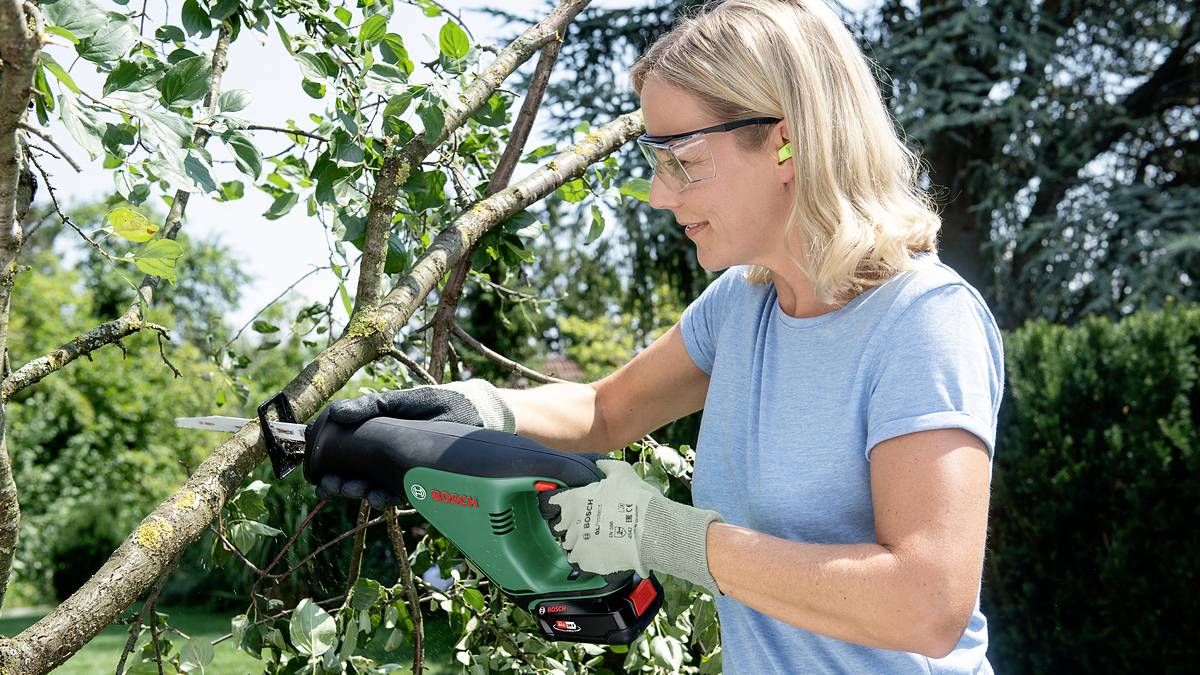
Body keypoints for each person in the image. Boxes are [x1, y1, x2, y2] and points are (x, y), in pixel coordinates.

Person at [307, 0, 1004, 672]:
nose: (660, 194)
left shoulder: (922, 320)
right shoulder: (745, 304)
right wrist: (472, 410)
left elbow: (929, 603)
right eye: (655, 157)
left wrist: (661, 533)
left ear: (787, 138)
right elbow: (606, 411)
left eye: (683, 158)